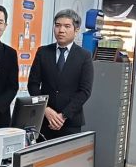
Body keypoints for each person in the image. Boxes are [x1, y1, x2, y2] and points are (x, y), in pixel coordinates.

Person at [27, 9, 94, 140]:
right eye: (57, 25)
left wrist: (63, 116)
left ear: (76, 30)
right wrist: (45, 109)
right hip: (44, 120)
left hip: (70, 123)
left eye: (67, 26)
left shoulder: (84, 56)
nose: (61, 30)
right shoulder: (43, 52)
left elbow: (85, 91)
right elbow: (33, 85)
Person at [0, 4, 20, 128]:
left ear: (5, 26)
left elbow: (13, 87)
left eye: (0, 22)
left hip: (0, 117)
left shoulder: (10, 54)